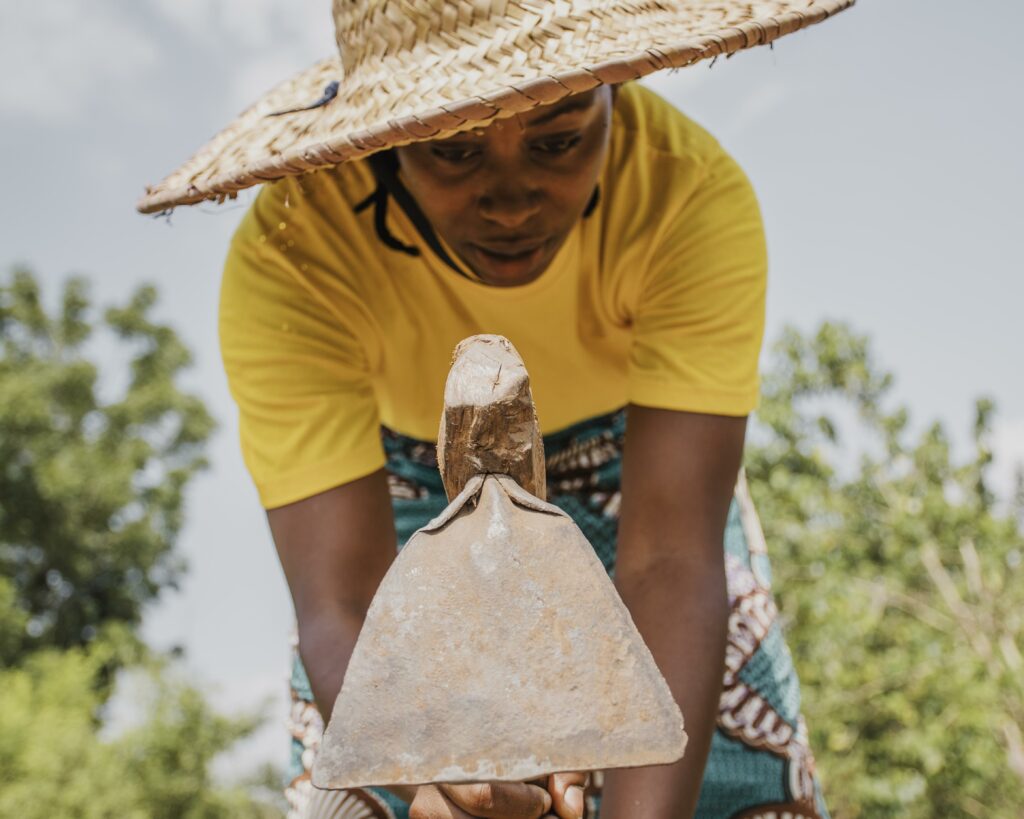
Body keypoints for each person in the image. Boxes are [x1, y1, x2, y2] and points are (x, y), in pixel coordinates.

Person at [139, 2, 855, 817]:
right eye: (452, 149)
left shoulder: (688, 199)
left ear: (613, 93)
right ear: (387, 138)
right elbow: (344, 601)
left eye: (558, 140)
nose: (512, 201)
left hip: (643, 478)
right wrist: (434, 771)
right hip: (406, 495)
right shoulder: (294, 256)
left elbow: (670, 561)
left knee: (728, 768)